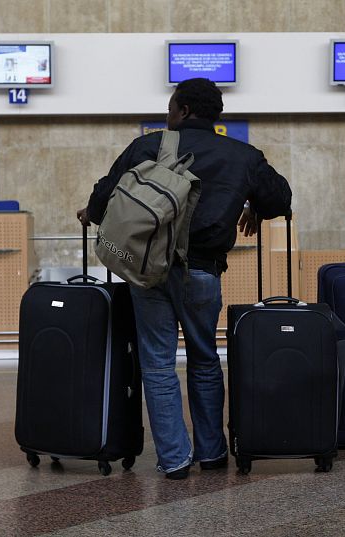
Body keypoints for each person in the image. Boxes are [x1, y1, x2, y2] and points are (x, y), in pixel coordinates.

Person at [77, 78, 292, 479]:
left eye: (171, 108)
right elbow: (281, 198)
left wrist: (90, 213)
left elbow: (104, 194)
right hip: (203, 273)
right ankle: (211, 454)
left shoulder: (149, 145)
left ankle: (174, 459)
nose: (167, 114)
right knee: (205, 358)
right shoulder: (242, 155)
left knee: (158, 363)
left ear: (184, 111)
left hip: (148, 271)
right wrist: (255, 207)